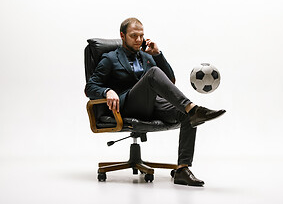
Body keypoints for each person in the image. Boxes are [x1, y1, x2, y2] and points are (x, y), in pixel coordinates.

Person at [85, 17, 225, 186]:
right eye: (133, 36)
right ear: (122, 36)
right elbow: (90, 87)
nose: (138, 40)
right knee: (153, 74)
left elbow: (170, 81)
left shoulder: (147, 56)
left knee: (186, 115)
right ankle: (194, 109)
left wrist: (157, 55)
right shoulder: (110, 59)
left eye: (141, 36)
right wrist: (107, 91)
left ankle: (182, 169)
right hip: (126, 107)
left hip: (152, 105)